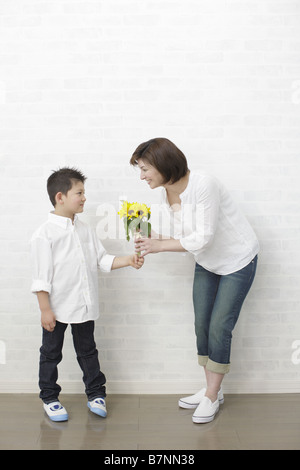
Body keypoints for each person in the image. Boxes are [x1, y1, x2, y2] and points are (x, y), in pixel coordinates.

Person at [130, 138, 259, 424]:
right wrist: (150, 238)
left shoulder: (204, 184)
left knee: (219, 325)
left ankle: (211, 395)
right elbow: (182, 235)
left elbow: (202, 237)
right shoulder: (165, 195)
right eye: (139, 170)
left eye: (145, 169)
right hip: (207, 261)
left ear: (163, 164)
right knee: (202, 325)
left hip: (237, 260)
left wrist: (160, 246)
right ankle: (213, 390)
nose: (142, 177)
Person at [30, 167, 143, 422]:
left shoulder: (84, 230)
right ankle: (49, 396)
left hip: (83, 305)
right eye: (79, 193)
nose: (84, 198)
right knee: (50, 353)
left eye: (84, 192)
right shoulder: (44, 235)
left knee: (88, 351)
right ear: (60, 197)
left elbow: (101, 260)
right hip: (56, 308)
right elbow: (41, 277)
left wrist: (129, 260)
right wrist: (45, 309)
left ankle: (95, 394)